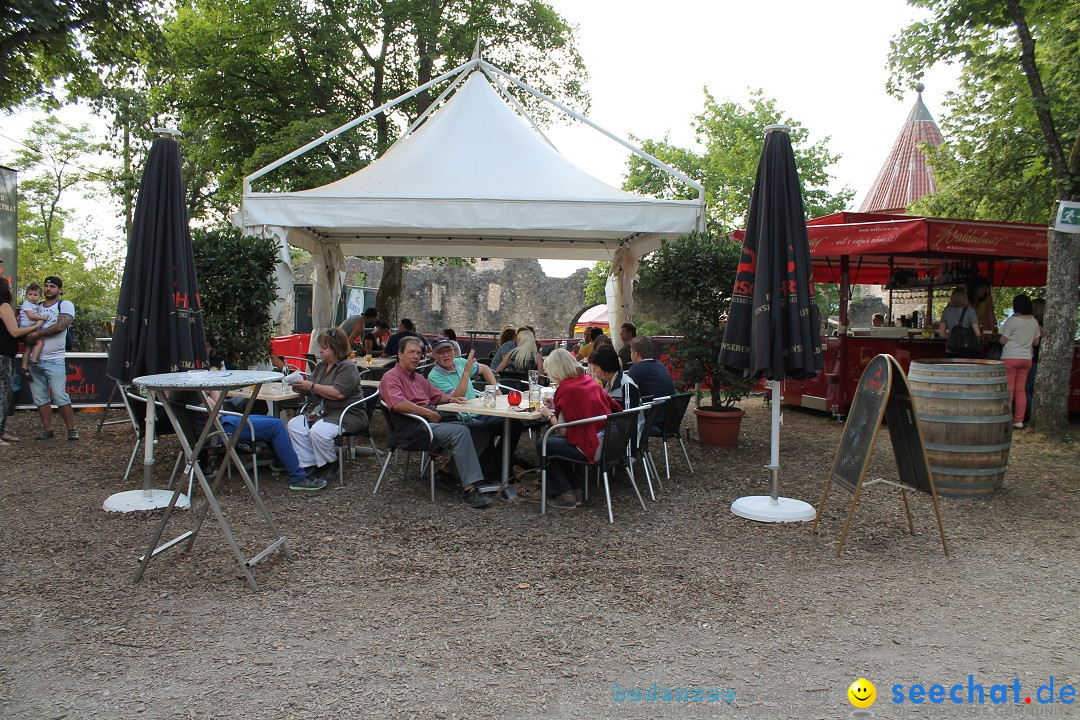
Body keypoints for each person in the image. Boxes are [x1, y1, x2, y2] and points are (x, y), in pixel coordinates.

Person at [379, 336, 493, 509]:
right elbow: (398, 403)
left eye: (418, 353)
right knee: (461, 432)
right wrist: (427, 413)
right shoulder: (391, 377)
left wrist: (453, 398)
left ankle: (446, 473)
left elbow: (437, 395)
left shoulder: (417, 377)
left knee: (480, 432)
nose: (415, 357)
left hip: (430, 422)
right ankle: (470, 490)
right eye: (411, 352)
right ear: (400, 354)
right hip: (413, 429)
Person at [535, 348, 622, 509]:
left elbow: (563, 430)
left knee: (544, 443)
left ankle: (565, 493)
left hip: (592, 446)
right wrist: (557, 404)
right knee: (556, 445)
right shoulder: (588, 381)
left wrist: (548, 414)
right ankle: (575, 488)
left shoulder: (567, 389)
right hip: (610, 441)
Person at [427, 336, 523, 468]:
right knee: (484, 430)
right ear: (433, 355)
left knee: (514, 424)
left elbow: (485, 369)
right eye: (440, 352)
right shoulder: (434, 376)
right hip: (457, 417)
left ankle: (501, 462)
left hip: (477, 412)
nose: (446, 355)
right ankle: (489, 466)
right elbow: (456, 398)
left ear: (453, 350)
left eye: (448, 350)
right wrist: (466, 372)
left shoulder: (458, 362)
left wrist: (497, 390)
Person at [287, 327, 369, 479]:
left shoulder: (347, 367)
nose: (320, 351)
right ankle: (309, 463)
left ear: (336, 348)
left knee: (319, 431)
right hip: (322, 412)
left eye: (324, 348)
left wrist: (311, 386)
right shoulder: (321, 366)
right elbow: (310, 387)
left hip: (347, 414)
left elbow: (338, 393)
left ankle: (329, 463)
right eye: (320, 347)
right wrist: (298, 386)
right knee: (294, 425)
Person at [24, 276, 77, 441]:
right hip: (35, 359)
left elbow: (62, 325)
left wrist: (37, 334)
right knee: (40, 397)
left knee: (60, 395)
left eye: (52, 286)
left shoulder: (65, 305)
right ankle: (48, 429)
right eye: (46, 286)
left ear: (59, 289)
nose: (48, 289)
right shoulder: (36, 306)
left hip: (55, 358)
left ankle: (71, 430)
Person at [0, 277, 45, 446]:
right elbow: (14, 332)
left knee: (5, 395)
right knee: (3, 394)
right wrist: (36, 326)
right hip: (3, 356)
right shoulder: (4, 306)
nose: (12, 290)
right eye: (10, 288)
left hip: (5, 355)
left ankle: (2, 430)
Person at [997, 294, 1040, 429]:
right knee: (1020, 390)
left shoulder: (1012, 321)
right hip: (1026, 358)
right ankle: (1019, 420)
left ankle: (1007, 419)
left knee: (1009, 390)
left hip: (1010, 357)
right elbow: (1036, 342)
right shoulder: (1034, 322)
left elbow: (1002, 340)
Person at [588, 344, 643, 438]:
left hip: (623, 440)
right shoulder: (611, 384)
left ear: (605, 368)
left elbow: (628, 423)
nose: (594, 372)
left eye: (595, 368)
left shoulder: (626, 386)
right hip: (613, 432)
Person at [626, 335, 675, 433]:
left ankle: (631, 448)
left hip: (652, 421)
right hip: (670, 420)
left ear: (636, 354)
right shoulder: (660, 365)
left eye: (631, 352)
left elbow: (625, 390)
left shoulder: (637, 368)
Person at [938, 287, 981, 358]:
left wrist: (953, 338)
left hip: (950, 350)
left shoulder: (946, 311)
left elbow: (942, 334)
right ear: (965, 298)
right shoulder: (970, 311)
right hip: (967, 351)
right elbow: (978, 334)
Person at [18, 283, 47, 380]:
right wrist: (43, 318)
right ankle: (33, 360)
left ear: (40, 296)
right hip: (26, 329)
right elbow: (31, 316)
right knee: (40, 341)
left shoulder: (36, 305)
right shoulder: (27, 304)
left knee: (28, 348)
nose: (32, 297)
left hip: (29, 329)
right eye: (30, 294)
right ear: (26, 295)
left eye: (35, 295)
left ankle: (24, 368)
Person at [1024, 298, 1045, 423]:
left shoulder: (1037, 323)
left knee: (1027, 388)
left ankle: (1033, 415)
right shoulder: (1037, 322)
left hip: (1035, 359)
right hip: (1034, 359)